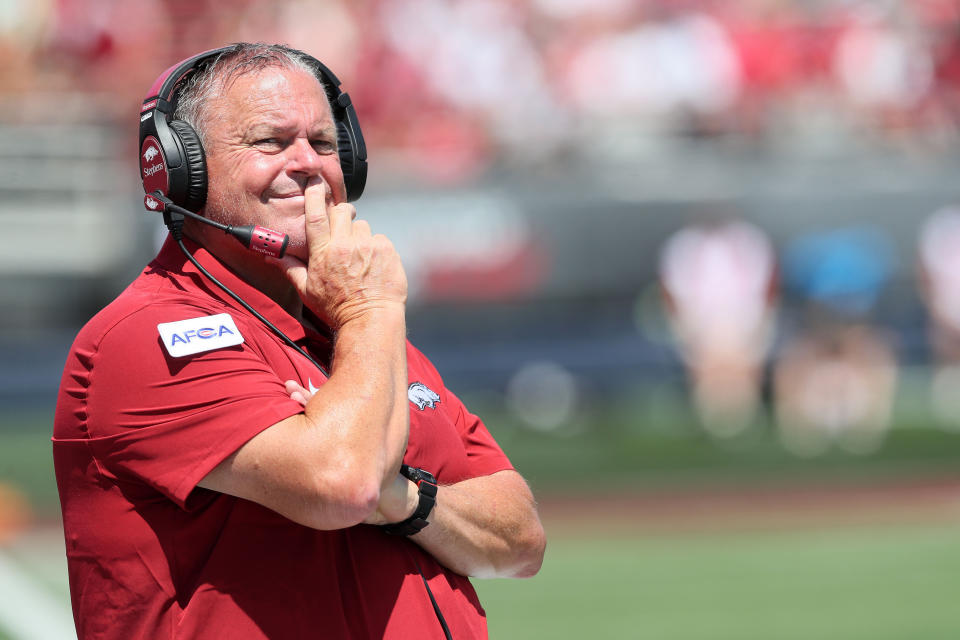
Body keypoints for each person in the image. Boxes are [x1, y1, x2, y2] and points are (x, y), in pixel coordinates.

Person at [52, 43, 546, 640]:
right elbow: (345, 484)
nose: (308, 163)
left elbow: (520, 540)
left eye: (325, 143)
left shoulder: (357, 334)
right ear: (179, 165)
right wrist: (371, 308)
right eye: (270, 141)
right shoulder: (144, 336)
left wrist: (403, 499)